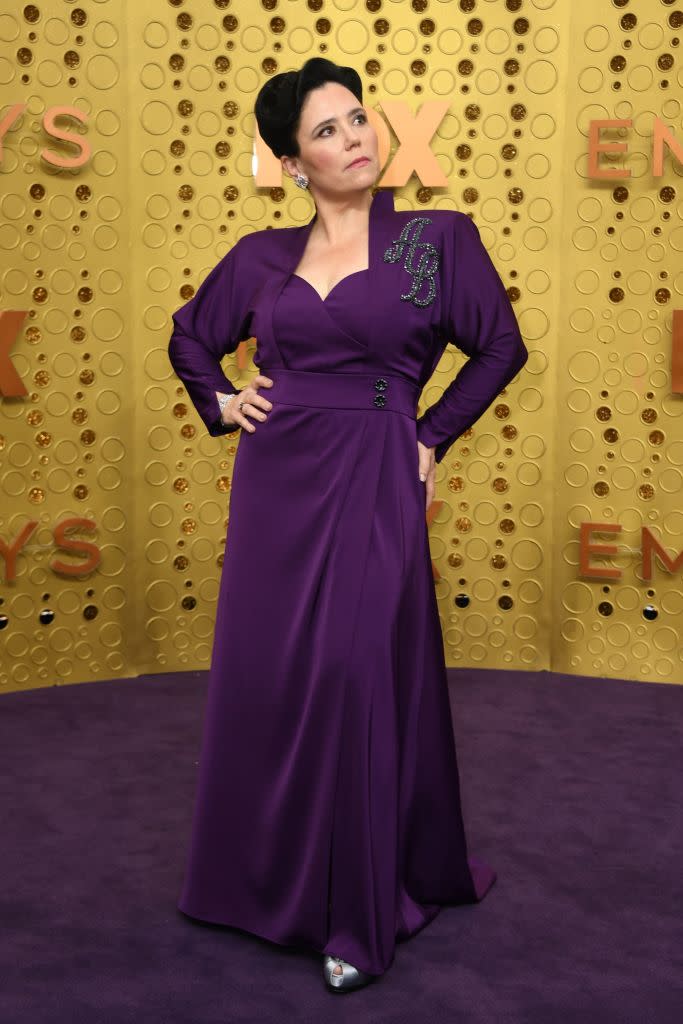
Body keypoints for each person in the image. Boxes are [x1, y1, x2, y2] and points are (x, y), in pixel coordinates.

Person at [167, 57, 528, 993]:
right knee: (277, 677)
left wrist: (431, 435)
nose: (354, 138)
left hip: (375, 471)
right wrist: (222, 399)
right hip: (276, 483)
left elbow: (500, 344)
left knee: (358, 671)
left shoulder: (433, 241)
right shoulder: (259, 258)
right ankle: (260, 885)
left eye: (358, 118)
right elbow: (188, 337)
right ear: (292, 162)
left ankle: (359, 914)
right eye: (326, 131)